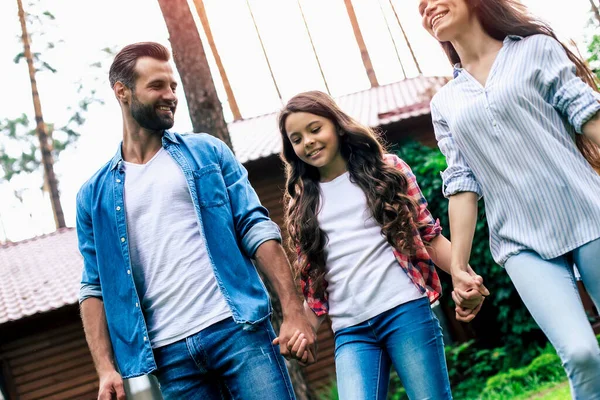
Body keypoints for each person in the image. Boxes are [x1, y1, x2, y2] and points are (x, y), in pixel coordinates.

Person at [76, 42, 316, 400]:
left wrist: (293, 308)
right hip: (169, 356)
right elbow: (94, 286)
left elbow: (255, 226)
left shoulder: (208, 152)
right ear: (122, 92)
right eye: (157, 86)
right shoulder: (93, 196)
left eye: (173, 86)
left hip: (239, 331)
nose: (171, 95)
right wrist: (105, 368)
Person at [418, 0, 600, 397]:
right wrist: (460, 268)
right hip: (520, 242)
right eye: (420, 6)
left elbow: (588, 117)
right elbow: (462, 184)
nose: (427, 7)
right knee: (581, 352)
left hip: (589, 215)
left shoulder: (535, 50)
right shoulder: (444, 103)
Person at [275, 91, 488, 399]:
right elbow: (319, 289)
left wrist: (462, 274)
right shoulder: (302, 202)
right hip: (351, 331)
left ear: (336, 125)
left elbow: (428, 236)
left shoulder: (386, 170)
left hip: (405, 311)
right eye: (296, 138)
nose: (307, 142)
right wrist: (303, 331)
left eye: (314, 129)